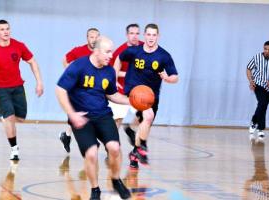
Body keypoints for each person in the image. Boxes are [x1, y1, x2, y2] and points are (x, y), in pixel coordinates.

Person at [56, 36, 131, 200]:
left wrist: (130, 100)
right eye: (108, 51)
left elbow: (112, 94)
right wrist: (72, 114)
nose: (111, 55)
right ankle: (95, 189)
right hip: (81, 117)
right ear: (96, 51)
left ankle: (116, 179)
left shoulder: (109, 71)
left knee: (115, 148)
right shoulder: (78, 66)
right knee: (91, 154)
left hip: (103, 115)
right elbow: (60, 90)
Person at [114, 23, 179, 169]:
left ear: (158, 36)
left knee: (146, 124)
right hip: (134, 91)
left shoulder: (164, 56)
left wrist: (168, 78)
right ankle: (142, 148)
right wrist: (114, 76)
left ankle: (135, 153)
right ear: (145, 36)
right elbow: (118, 58)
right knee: (148, 116)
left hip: (151, 95)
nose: (151, 38)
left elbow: (175, 77)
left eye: (154, 35)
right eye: (148, 34)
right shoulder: (133, 51)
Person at [0, 19, 44, 160]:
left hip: (17, 87)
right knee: (9, 118)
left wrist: (39, 82)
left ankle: (2, 113)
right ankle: (14, 149)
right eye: (2, 29)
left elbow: (32, 61)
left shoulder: (18, 45)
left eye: (7, 28)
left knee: (19, 118)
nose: (6, 31)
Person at [59, 28, 100, 153]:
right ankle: (90, 140)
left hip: (94, 89)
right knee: (80, 114)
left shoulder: (101, 52)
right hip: (78, 90)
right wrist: (72, 74)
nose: (93, 40)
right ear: (87, 38)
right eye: (91, 37)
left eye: (96, 37)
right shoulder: (79, 51)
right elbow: (65, 60)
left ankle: (66, 135)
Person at [110, 23, 143, 145]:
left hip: (138, 90)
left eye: (137, 33)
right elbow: (113, 72)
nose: (135, 36)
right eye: (132, 33)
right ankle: (112, 144)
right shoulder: (120, 51)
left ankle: (130, 129)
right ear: (127, 35)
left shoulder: (144, 48)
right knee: (118, 119)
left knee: (144, 114)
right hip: (122, 90)